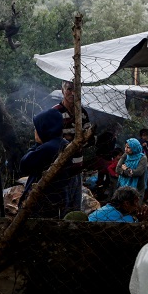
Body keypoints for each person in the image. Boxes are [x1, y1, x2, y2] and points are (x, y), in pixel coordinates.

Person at [18, 108, 73, 219]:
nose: (35, 131)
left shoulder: (48, 148)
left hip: (41, 205)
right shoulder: (64, 144)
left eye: (37, 127)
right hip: (56, 201)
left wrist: (37, 144)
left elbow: (23, 165)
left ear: (45, 127)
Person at [53, 80, 93, 211]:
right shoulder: (55, 113)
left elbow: (89, 138)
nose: (73, 93)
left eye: (76, 90)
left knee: (75, 206)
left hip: (77, 166)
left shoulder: (82, 113)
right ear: (63, 90)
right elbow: (52, 139)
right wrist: (74, 139)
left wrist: (74, 139)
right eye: (69, 89)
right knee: (61, 204)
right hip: (60, 167)